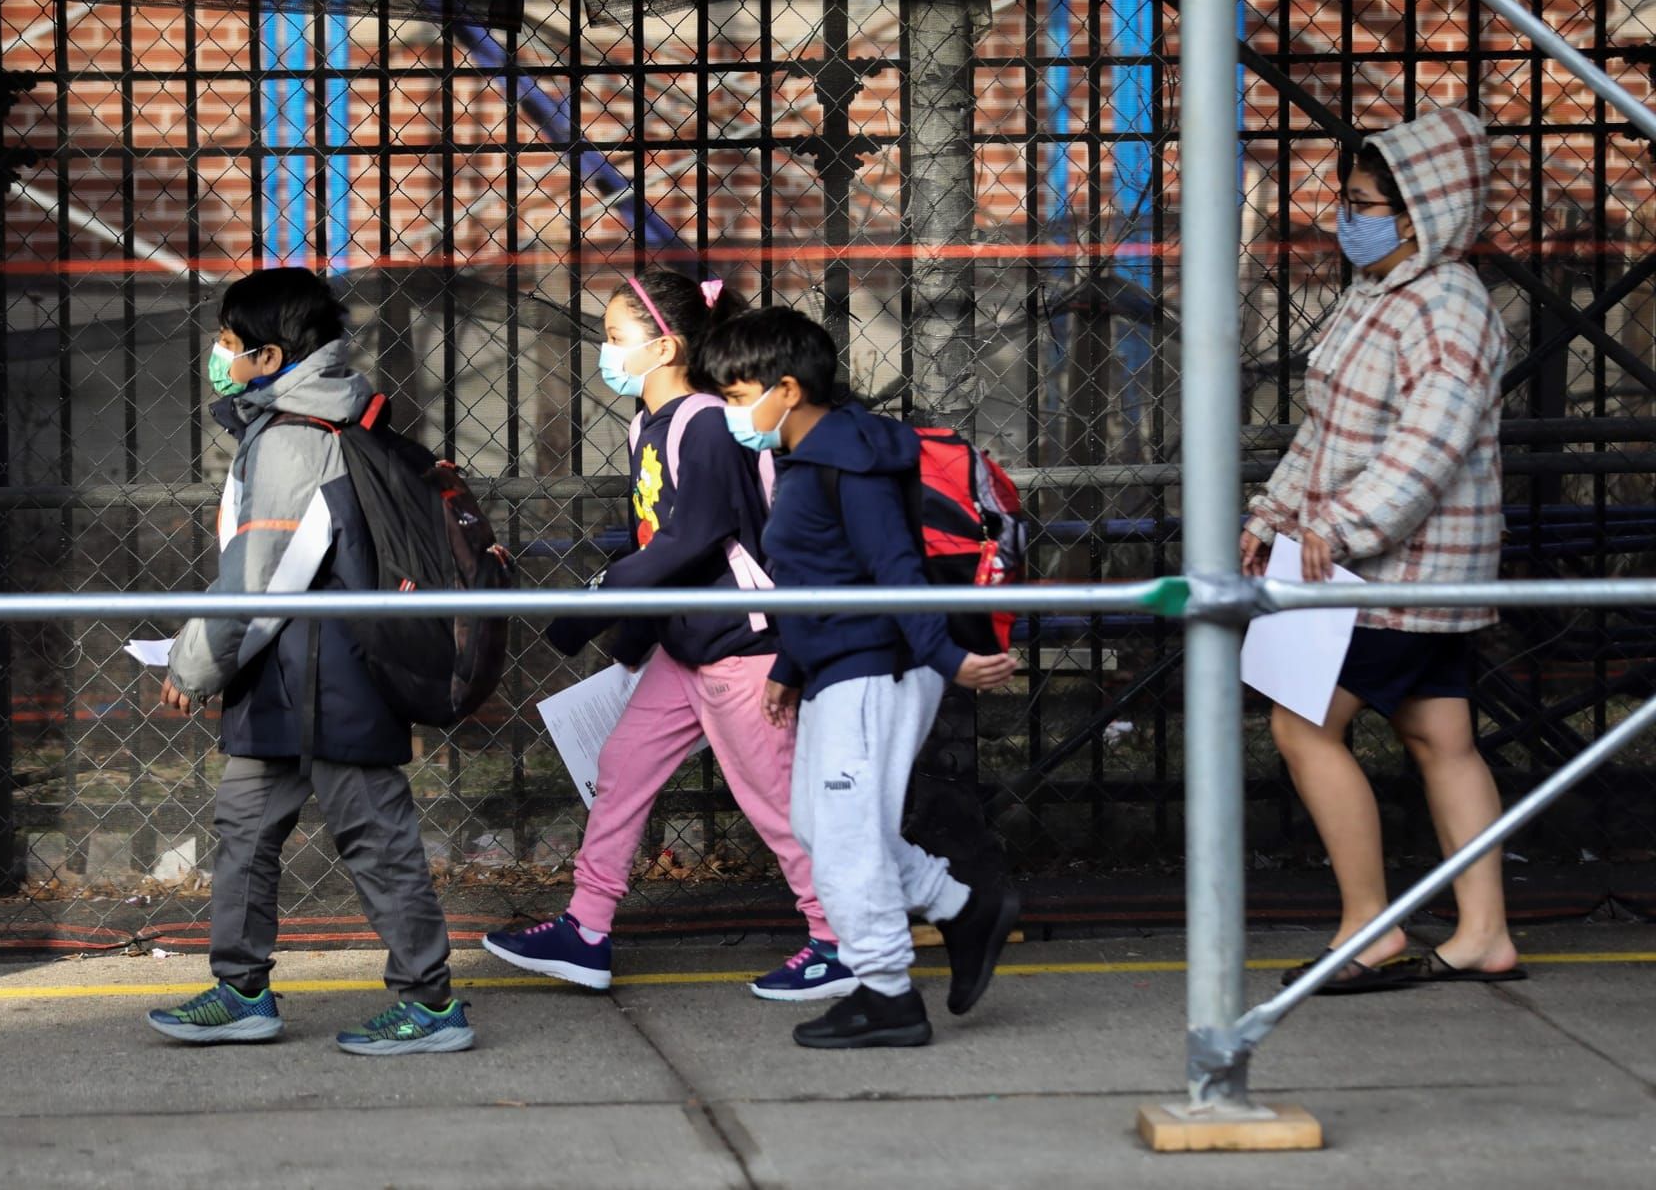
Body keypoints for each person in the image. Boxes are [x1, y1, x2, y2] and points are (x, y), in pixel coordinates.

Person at [483, 269, 855, 1002]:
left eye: (616, 338)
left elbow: (697, 534)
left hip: (739, 649)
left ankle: (838, 939)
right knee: (621, 766)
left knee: (775, 803)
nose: (605, 350)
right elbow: (655, 538)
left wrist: (605, 595)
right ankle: (586, 930)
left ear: (666, 347)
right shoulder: (644, 424)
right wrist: (632, 638)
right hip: (687, 647)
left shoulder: (706, 421)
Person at [145, 266, 476, 1053]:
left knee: (373, 831)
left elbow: (261, 575)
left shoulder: (294, 438)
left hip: (331, 673)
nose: (218, 352)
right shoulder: (300, 420)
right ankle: (241, 988)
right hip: (289, 672)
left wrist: (195, 663)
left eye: (229, 340)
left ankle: (431, 1005)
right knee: (244, 825)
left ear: (267, 356)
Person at [1243, 107, 1524, 993]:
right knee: (1440, 734)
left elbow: (1423, 450)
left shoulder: (1446, 311)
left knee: (1303, 724)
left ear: (1420, 213)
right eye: (1349, 198)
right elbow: (1329, 432)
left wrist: (1337, 527)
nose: (1346, 215)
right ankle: (1483, 931)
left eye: (1364, 202)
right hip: (1394, 564)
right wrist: (1274, 510)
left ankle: (1372, 925)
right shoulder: (1385, 295)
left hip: (1394, 569)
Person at [700, 305, 1024, 1049]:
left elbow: (893, 573)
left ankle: (887, 996)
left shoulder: (850, 458)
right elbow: (823, 577)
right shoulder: (810, 456)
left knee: (846, 839)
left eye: (736, 391)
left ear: (786, 388)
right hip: (838, 667)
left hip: (878, 669)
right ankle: (964, 907)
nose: (730, 409)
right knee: (824, 828)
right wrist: (789, 664)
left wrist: (949, 659)